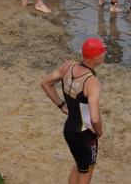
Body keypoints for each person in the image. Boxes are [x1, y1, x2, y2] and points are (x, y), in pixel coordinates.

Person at [40, 38, 105, 184]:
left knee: (80, 164)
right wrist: (99, 131)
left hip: (69, 129)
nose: (105, 53)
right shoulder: (92, 82)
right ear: (96, 57)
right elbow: (95, 118)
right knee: (87, 171)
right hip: (85, 135)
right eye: (103, 52)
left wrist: (62, 105)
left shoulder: (68, 66)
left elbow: (45, 83)